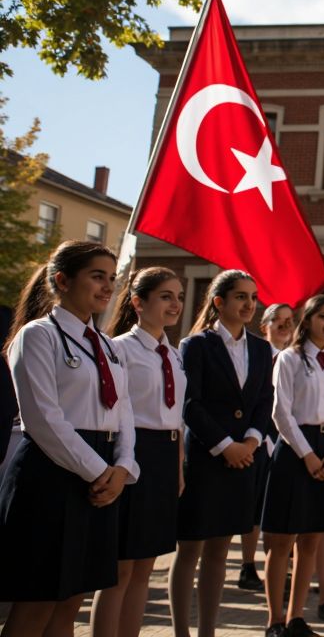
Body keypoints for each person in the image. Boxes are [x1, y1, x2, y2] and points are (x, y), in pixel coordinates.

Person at [0, 241, 138, 637]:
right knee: (36, 603)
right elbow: (44, 419)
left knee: (71, 601)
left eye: (112, 278)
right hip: (52, 475)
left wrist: (123, 467)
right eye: (97, 276)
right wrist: (100, 471)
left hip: (103, 476)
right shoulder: (38, 336)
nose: (108, 286)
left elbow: (123, 411)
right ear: (62, 280)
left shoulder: (109, 346)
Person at [171, 271, 275, 637]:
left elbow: (264, 400)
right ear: (219, 302)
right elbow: (190, 404)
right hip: (205, 458)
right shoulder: (196, 345)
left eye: (253, 297)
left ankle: (207, 631)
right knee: (191, 549)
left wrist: (249, 441)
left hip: (244, 458)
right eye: (241, 297)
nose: (249, 304)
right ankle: (182, 630)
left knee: (219, 550)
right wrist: (224, 445)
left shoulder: (261, 348)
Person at [92, 268, 188, 637]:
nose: (175, 304)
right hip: (131, 454)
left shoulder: (174, 354)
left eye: (178, 296)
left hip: (165, 457)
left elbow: (176, 415)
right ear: (137, 302)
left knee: (145, 566)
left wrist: (177, 466)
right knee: (120, 568)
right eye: (165, 296)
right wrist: (123, 462)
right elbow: (117, 410)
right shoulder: (118, 349)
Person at [262, 294, 324, 637]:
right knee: (283, 541)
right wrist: (309, 456)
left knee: (312, 540)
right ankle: (275, 620)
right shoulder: (290, 358)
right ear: (308, 319)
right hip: (296, 450)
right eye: (323, 316)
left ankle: (296, 617)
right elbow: (280, 413)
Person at [239, 302, 295, 591]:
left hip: (286, 442)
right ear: (265, 326)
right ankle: (248, 564)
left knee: (276, 508)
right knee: (253, 506)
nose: (285, 326)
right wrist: (260, 437)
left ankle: (281, 566)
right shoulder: (258, 356)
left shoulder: (294, 359)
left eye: (289, 321)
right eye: (279, 321)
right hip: (259, 438)